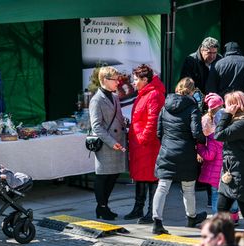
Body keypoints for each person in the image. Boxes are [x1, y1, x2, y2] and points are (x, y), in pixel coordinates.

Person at [151, 77, 207, 234]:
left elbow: (159, 132)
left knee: (162, 187)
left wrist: (168, 144)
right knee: (188, 188)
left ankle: (157, 222)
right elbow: (196, 133)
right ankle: (191, 217)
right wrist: (205, 140)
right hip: (186, 152)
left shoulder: (165, 106)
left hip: (167, 151)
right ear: (192, 90)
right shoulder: (193, 108)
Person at [125, 64, 165, 223]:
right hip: (140, 144)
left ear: (145, 79)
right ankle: (138, 208)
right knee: (140, 176)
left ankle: (151, 212)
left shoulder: (154, 94)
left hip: (148, 144)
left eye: (135, 80)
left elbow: (153, 120)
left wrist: (142, 138)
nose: (133, 83)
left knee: (151, 178)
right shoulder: (144, 93)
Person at [214, 91, 244, 226]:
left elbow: (219, 135)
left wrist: (227, 115)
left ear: (236, 106)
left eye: (228, 105)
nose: (225, 108)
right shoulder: (238, 121)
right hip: (232, 171)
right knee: (222, 208)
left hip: (242, 173)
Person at [88, 66, 127, 221]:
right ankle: (102, 207)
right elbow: (96, 126)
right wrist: (111, 142)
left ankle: (103, 206)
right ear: (105, 80)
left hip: (118, 141)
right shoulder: (96, 100)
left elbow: (118, 118)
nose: (118, 82)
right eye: (115, 80)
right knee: (103, 176)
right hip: (106, 143)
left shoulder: (115, 97)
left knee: (113, 174)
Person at [197, 93, 240, 222]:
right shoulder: (232, 133)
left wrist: (199, 148)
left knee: (217, 195)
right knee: (232, 193)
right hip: (230, 169)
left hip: (216, 173)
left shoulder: (212, 136)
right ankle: (234, 216)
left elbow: (210, 155)